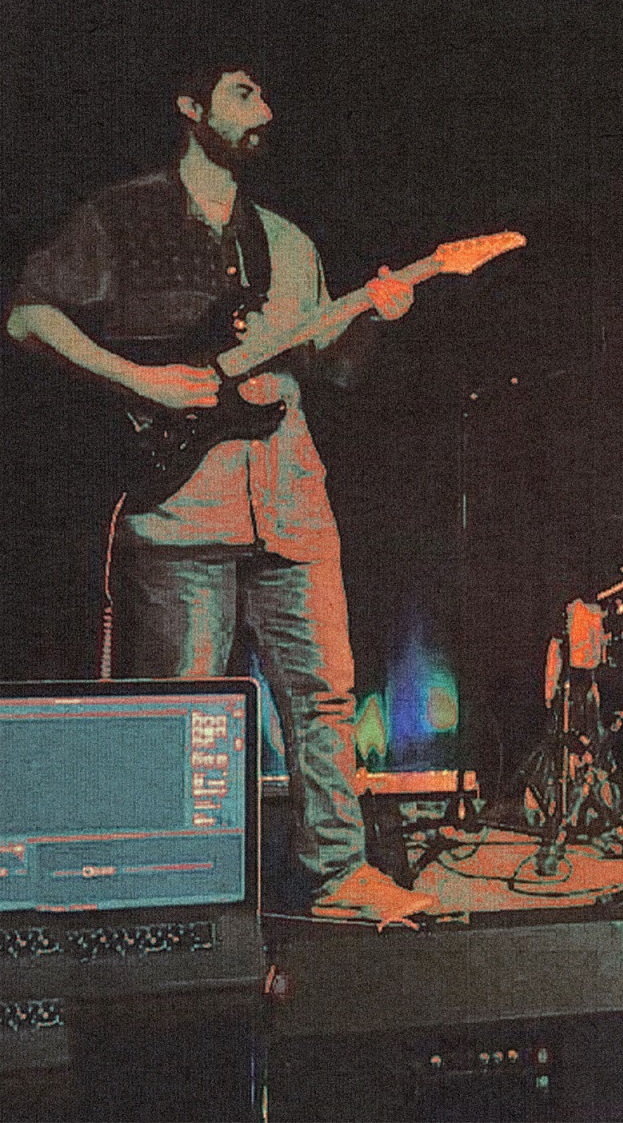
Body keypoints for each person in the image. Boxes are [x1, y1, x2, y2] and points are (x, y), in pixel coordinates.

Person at [5, 60, 436, 924]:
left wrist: (375, 317)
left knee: (325, 695)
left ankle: (340, 873)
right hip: (182, 508)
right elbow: (29, 317)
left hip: (292, 502)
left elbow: (335, 368)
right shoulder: (122, 217)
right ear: (191, 106)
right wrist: (144, 380)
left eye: (267, 96)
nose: (263, 110)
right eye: (244, 94)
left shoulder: (289, 242)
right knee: (182, 707)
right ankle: (174, 890)